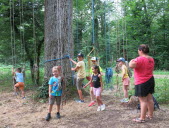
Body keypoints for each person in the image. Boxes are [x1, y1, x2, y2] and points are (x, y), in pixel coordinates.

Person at [129, 44, 155, 123]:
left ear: (140, 50)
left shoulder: (139, 59)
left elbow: (130, 65)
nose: (138, 51)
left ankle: (142, 118)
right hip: (150, 80)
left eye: (138, 50)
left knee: (143, 101)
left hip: (142, 82)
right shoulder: (151, 59)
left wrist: (131, 60)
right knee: (150, 99)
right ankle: (150, 115)